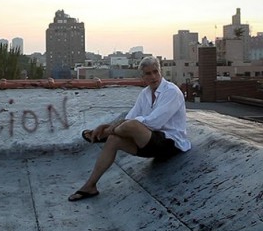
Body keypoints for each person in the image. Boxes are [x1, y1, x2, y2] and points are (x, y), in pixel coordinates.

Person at [68, 56, 191, 201]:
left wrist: (111, 128)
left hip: (171, 143)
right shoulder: (145, 94)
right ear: (143, 77)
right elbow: (129, 118)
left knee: (131, 125)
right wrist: (112, 127)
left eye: (155, 72)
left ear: (160, 72)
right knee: (113, 139)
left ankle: (103, 135)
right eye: (148, 73)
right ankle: (90, 186)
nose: (153, 76)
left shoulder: (171, 91)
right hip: (150, 143)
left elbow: (154, 123)